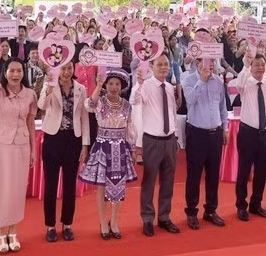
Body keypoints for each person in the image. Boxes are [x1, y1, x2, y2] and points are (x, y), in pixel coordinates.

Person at [0, 57, 37, 253]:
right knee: (1, 189)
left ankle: (13, 231)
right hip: (1, 144)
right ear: (5, 72)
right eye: (11, 71)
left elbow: (31, 123)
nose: (15, 74)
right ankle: (0, 232)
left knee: (17, 190)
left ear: (23, 73)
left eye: (19, 71)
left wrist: (33, 149)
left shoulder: (30, 94)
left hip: (22, 145)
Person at [80, 70, 137, 240]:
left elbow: (130, 128)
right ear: (106, 85)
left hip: (121, 148)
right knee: (102, 186)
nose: (113, 87)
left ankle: (114, 221)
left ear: (122, 86)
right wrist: (97, 85)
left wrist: (133, 149)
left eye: (117, 84)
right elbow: (88, 105)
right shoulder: (100, 102)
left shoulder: (127, 105)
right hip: (103, 147)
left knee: (119, 186)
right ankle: (102, 222)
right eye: (110, 83)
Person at [37, 61, 90, 243]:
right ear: (56, 69)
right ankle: (50, 226)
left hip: (73, 141)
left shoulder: (81, 88)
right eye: (63, 68)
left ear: (74, 69)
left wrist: (85, 145)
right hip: (52, 139)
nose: (67, 72)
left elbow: (84, 118)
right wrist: (50, 87)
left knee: (69, 185)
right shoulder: (49, 84)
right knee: (51, 185)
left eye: (69, 68)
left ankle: (67, 224)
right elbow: (42, 105)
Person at [130, 55, 182, 237]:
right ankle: (147, 219)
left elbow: (172, 113)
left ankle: (164, 217)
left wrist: (175, 136)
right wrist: (139, 83)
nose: (163, 67)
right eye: (159, 64)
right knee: (149, 182)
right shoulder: (145, 85)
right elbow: (134, 101)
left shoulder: (169, 87)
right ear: (152, 66)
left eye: (166, 64)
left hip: (169, 140)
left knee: (168, 182)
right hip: (151, 141)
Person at [181, 58, 228, 229]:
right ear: (196, 62)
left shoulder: (218, 81)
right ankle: (192, 211)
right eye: (201, 60)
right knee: (194, 174)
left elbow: (223, 107)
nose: (206, 64)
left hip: (215, 133)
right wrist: (201, 80)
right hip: (196, 133)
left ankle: (211, 210)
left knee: (213, 174)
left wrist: (225, 128)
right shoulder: (189, 80)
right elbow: (190, 101)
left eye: (209, 60)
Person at [234, 53, 266, 219]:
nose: (260, 67)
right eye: (256, 65)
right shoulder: (245, 84)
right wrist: (246, 64)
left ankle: (256, 204)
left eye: (262, 64)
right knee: (244, 171)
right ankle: (241, 205)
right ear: (251, 67)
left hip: (265, 133)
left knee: (261, 171)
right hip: (248, 133)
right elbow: (239, 82)